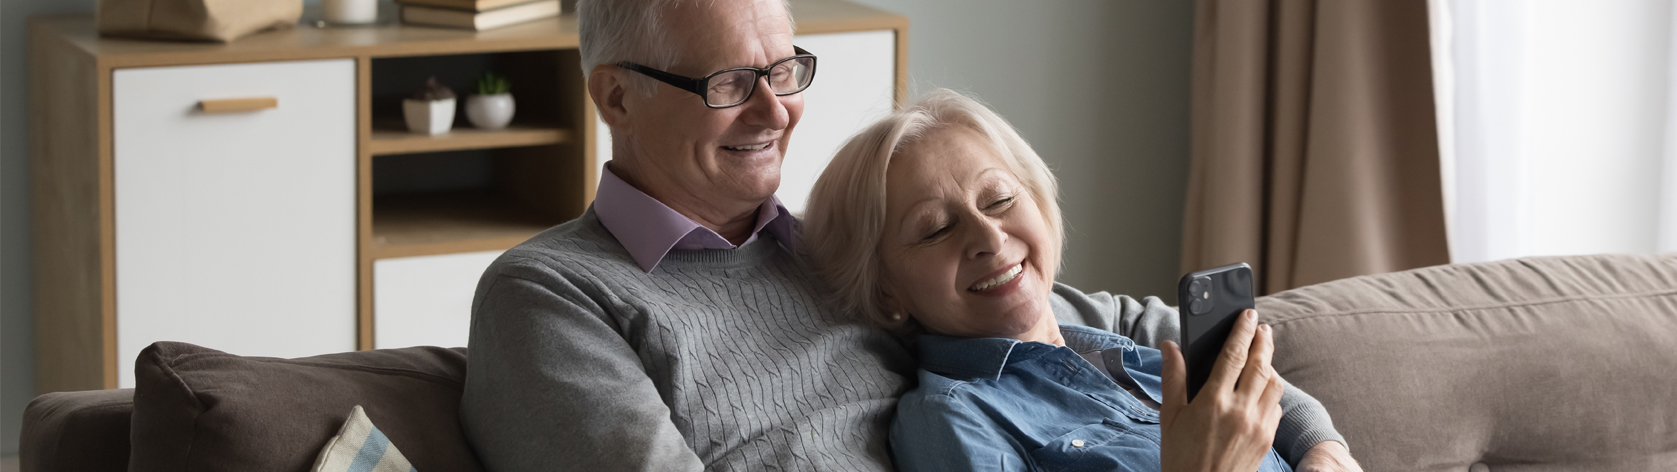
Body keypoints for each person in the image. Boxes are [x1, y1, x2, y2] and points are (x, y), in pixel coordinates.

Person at [461, 0, 1365, 470]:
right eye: (731, 84)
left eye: (784, 70)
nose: (779, 110)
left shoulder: (834, 251)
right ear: (617, 96)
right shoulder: (555, 294)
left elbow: (1099, 322)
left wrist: (1320, 445)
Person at [804, 89, 1353, 471]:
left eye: (999, 199)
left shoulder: (1137, 353)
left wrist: (1323, 452)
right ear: (886, 293)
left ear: (1041, 205)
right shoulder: (951, 419)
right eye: (936, 229)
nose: (990, 238)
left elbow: (1285, 407)